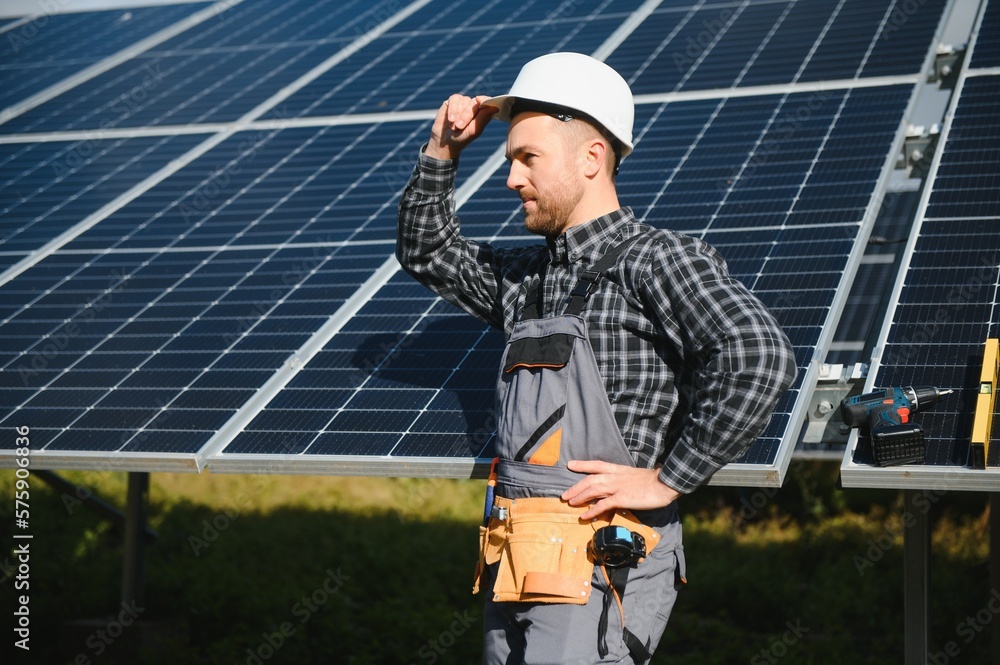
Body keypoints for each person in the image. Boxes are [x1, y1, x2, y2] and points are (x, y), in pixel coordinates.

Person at [397, 52, 796, 665]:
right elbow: (426, 251)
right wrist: (442, 151)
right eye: (510, 161)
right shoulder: (526, 280)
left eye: (528, 158)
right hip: (517, 555)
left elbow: (759, 356)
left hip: (598, 562)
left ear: (591, 158)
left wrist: (669, 479)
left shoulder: (656, 260)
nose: (510, 179)